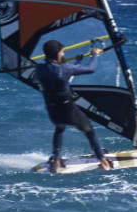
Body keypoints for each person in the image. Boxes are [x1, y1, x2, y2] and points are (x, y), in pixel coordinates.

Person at [36, 39, 115, 172]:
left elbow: (59, 71)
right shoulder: (65, 68)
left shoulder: (39, 69)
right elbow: (90, 69)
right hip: (69, 110)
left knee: (59, 128)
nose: (63, 54)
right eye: (62, 52)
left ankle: (56, 158)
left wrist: (77, 62)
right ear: (57, 54)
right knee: (89, 131)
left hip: (53, 111)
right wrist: (95, 54)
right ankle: (103, 161)